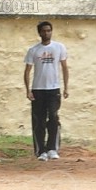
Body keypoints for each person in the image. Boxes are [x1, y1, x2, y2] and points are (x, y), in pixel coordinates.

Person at [23, 19, 68, 162]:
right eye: (44, 31)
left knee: (53, 118)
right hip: (38, 89)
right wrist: (28, 90)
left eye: (49, 30)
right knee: (39, 121)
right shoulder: (33, 50)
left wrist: (66, 87)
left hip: (54, 89)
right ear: (39, 33)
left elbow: (64, 68)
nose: (46, 33)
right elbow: (27, 71)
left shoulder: (59, 47)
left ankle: (52, 148)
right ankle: (40, 151)